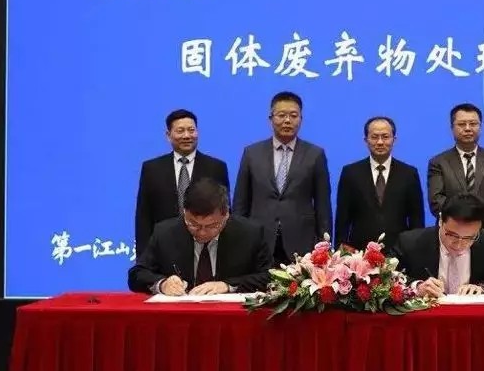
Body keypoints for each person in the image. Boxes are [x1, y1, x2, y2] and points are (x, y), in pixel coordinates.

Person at [232, 91, 332, 265]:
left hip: (301, 242)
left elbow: (323, 205)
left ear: (301, 119)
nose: (287, 120)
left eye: (293, 115)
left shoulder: (315, 154)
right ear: (271, 118)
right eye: (281, 115)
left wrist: (325, 246)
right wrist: (238, 239)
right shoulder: (252, 153)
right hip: (259, 239)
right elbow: (241, 202)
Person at [128, 178, 272, 295]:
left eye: (212, 226)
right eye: (194, 224)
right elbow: (137, 274)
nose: (202, 232)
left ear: (226, 215)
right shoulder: (165, 233)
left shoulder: (250, 233)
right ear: (184, 213)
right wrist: (162, 284)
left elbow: (269, 277)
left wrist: (227, 285)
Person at [134, 109, 229, 253]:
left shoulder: (216, 167)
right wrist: (143, 257)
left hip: (205, 248)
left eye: (191, 130)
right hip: (164, 247)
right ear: (168, 135)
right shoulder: (151, 168)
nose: (187, 136)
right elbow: (144, 216)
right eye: (180, 131)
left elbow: (225, 212)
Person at [390, 193, 484, 297]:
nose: (459, 244)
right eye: (452, 235)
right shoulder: (410, 242)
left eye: (469, 238)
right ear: (440, 221)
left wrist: (482, 288)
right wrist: (417, 287)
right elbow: (388, 277)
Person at [334, 116, 424, 251]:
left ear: (394, 139)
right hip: (359, 252)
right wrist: (340, 249)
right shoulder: (350, 173)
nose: (380, 142)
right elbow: (343, 217)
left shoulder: (409, 173)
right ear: (366, 140)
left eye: (385, 137)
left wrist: (416, 249)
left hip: (399, 250)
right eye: (374, 137)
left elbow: (416, 218)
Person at [426, 103, 484, 237]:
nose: (467, 128)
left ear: (480, 127)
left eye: (473, 124)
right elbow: (436, 200)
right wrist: (460, 226)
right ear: (452, 128)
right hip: (450, 236)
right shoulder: (438, 162)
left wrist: (481, 227)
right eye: (461, 124)